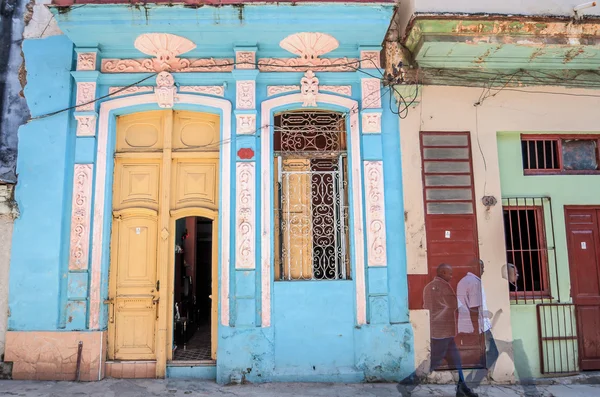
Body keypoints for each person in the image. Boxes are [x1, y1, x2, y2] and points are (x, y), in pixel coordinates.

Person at [423, 263, 478, 397]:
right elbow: (454, 304)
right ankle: (409, 384)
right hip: (443, 331)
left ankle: (462, 389)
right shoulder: (443, 286)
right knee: (434, 362)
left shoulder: (428, 286)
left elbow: (426, 306)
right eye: (450, 273)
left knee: (456, 360)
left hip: (440, 332)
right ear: (442, 272)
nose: (452, 276)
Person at [457, 259, 498, 383]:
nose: (484, 270)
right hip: (478, 326)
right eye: (482, 267)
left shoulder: (464, 281)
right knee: (493, 353)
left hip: (469, 326)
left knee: (476, 356)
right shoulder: (474, 283)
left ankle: (468, 382)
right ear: (475, 268)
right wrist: (477, 330)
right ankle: (472, 382)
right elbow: (474, 309)